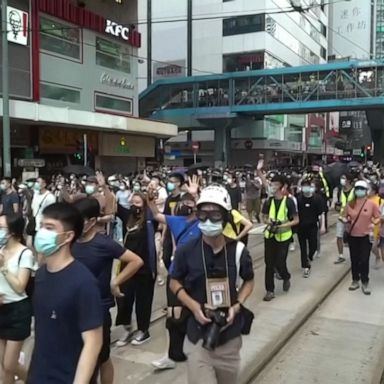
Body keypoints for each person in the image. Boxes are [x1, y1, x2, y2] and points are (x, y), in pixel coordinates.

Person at [170, 185, 254, 384]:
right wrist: (194, 307)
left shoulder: (238, 251)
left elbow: (249, 281)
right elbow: (174, 282)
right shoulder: (186, 250)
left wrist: (237, 305)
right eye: (202, 214)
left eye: (215, 215)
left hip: (229, 338)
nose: (208, 221)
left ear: (225, 217)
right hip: (197, 337)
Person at [27, 202, 103, 383]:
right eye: (42, 226)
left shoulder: (83, 282)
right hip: (40, 374)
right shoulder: (41, 274)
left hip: (67, 377)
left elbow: (93, 342)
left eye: (50, 228)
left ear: (68, 236)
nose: (42, 233)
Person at [72, 198, 143, 384]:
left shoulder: (103, 243)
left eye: (80, 219)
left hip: (98, 308)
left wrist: (115, 281)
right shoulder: (70, 241)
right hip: (74, 307)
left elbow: (136, 261)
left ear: (92, 221)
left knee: (100, 358)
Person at [115, 192, 156, 347]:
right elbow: (115, 206)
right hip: (127, 266)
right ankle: (127, 327)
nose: (135, 206)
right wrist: (104, 187)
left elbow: (157, 214)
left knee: (143, 301)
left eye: (138, 203)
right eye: (133, 202)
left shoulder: (150, 220)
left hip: (145, 267)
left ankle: (143, 330)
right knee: (123, 298)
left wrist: (151, 202)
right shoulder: (128, 217)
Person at [0, 214, 33, 384]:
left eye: (1, 227)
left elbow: (20, 286)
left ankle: (32, 380)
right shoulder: (0, 249)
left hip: (17, 312)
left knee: (9, 364)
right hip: (1, 309)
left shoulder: (24, 253)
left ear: (12, 231)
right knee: (3, 366)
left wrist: (4, 267)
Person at [262, 174, 299, 301]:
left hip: (284, 236)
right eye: (272, 184)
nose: (273, 187)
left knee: (280, 261)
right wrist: (269, 222)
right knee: (269, 264)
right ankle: (269, 290)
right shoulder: (268, 201)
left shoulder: (288, 201)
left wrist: (283, 225)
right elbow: (264, 217)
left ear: (282, 187)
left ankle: (286, 276)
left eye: (276, 184)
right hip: (270, 235)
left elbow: (296, 220)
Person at [343, 181, 380, 295]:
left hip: (366, 236)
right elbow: (343, 216)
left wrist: (373, 223)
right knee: (354, 259)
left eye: (362, 189)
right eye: (357, 189)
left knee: (364, 259)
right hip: (353, 235)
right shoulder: (350, 204)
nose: (359, 191)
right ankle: (355, 280)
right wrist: (346, 221)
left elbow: (378, 217)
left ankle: (365, 281)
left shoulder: (371, 204)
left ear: (365, 191)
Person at [296, 178, 325, 278]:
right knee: (303, 247)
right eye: (303, 186)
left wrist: (323, 226)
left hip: (312, 226)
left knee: (313, 245)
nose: (305, 188)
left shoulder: (317, 198)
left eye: (307, 186)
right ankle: (306, 266)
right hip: (301, 227)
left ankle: (309, 257)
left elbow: (321, 213)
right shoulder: (298, 198)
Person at [334, 173, 355, 264]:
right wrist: (337, 207)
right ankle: (341, 255)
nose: (342, 180)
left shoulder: (354, 191)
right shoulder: (339, 191)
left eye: (344, 178)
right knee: (339, 236)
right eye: (341, 178)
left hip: (352, 218)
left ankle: (354, 255)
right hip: (341, 217)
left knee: (353, 238)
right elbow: (337, 204)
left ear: (349, 180)